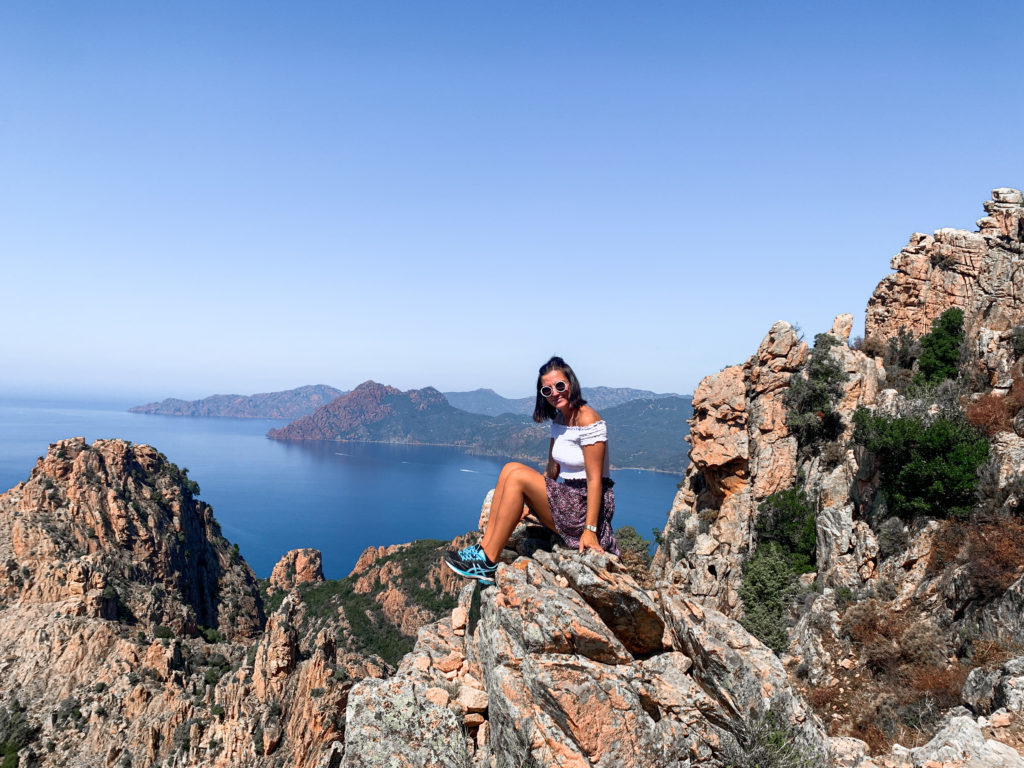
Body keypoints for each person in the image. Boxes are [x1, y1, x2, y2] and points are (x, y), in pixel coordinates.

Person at [444, 356, 620, 586]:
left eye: (560, 386)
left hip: (584, 507)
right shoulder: (560, 419)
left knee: (517, 476)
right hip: (567, 500)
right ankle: (483, 548)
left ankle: (488, 562)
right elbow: (551, 470)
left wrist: (590, 530)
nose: (555, 393)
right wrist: (532, 500)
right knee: (510, 468)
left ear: (571, 384)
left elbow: (596, 481)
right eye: (547, 390)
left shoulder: (588, 419)